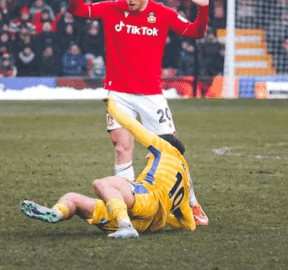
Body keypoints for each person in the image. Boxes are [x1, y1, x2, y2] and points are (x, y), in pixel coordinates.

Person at [67, 0, 211, 225]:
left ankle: (192, 204)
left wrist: (203, 9)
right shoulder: (112, 9)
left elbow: (196, 32)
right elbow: (75, 9)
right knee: (122, 149)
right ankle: (129, 203)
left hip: (150, 94)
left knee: (171, 153)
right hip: (118, 93)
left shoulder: (162, 13)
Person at [21, 98, 196, 239]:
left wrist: (113, 106)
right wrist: (165, 219)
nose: (147, 154)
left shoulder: (166, 148)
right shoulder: (185, 180)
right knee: (73, 199)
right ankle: (56, 213)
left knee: (102, 184)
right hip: (147, 225)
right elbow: (189, 225)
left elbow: (134, 127)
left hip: (145, 200)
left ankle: (124, 224)